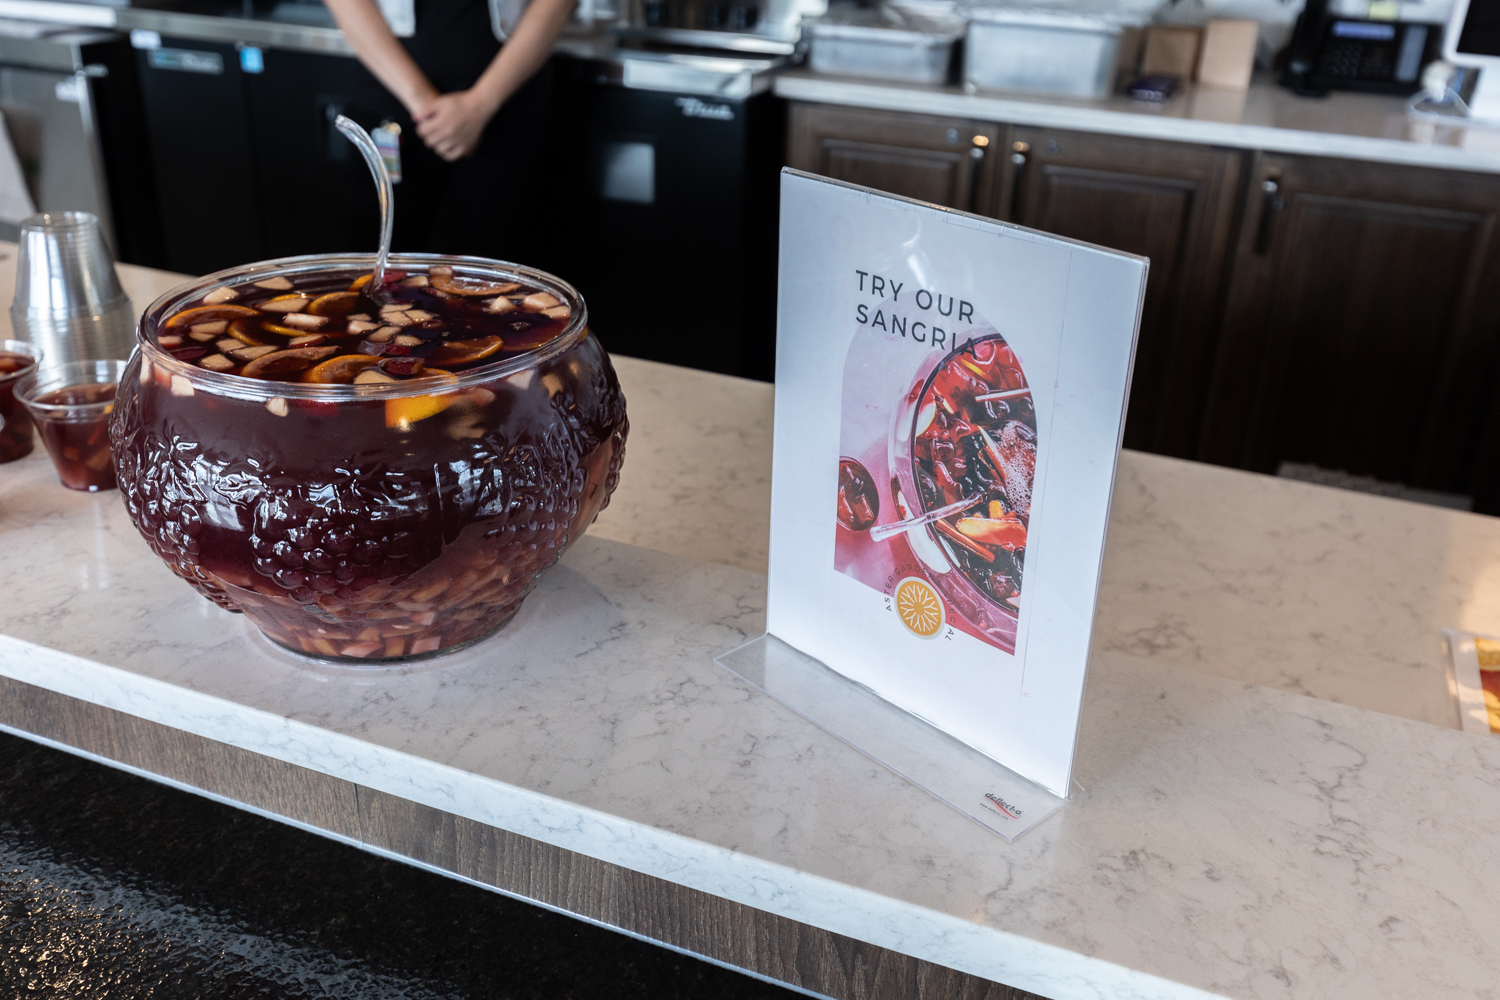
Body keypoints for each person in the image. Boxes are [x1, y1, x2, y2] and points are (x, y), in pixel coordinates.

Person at [324, 0, 576, 260]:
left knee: (492, 263)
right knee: (379, 262)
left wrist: (481, 104)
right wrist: (424, 104)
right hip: (389, 103)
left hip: (508, 104)